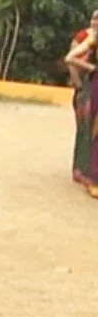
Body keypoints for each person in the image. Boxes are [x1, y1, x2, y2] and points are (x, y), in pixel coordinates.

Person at [64, 10, 98, 196]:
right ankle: (83, 170)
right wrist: (78, 86)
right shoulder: (85, 37)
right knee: (86, 130)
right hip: (87, 88)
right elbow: (71, 60)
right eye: (94, 18)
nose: (95, 21)